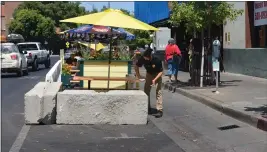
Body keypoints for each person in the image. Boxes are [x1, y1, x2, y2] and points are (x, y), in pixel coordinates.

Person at [135, 48, 163, 118]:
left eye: (146, 58)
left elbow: (161, 72)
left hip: (157, 74)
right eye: (144, 58)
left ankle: (159, 110)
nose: (145, 59)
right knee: (146, 90)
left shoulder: (157, 59)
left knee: (158, 91)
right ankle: (147, 108)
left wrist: (155, 79)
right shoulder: (142, 58)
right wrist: (138, 76)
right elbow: (136, 66)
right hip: (149, 74)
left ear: (150, 56)